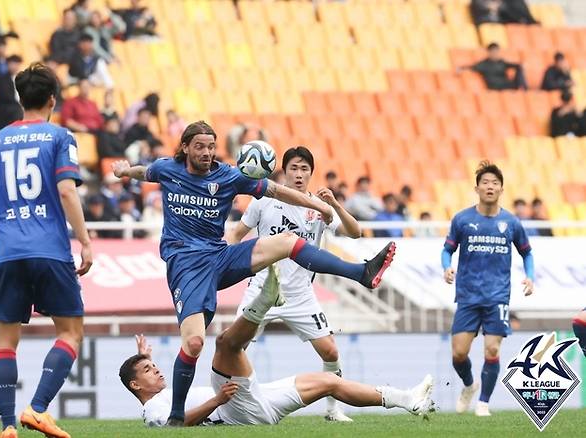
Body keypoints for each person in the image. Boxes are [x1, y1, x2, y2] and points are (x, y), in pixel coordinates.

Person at [111, 121, 396, 426]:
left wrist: (319, 205)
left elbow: (275, 190)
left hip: (219, 256)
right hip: (186, 265)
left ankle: (361, 272)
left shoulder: (228, 176)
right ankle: (178, 416)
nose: (207, 153)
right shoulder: (168, 169)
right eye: (199, 147)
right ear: (184, 148)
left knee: (288, 242)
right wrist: (125, 171)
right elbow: (145, 173)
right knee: (194, 344)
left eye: (210, 147)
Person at [119, 267, 436, 427]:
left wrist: (144, 358)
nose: (156, 368)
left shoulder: (161, 393)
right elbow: (179, 424)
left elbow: (154, 382)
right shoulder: (152, 411)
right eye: (148, 370)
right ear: (135, 385)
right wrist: (217, 400)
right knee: (227, 345)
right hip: (234, 409)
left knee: (329, 382)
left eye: (152, 364)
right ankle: (263, 302)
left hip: (257, 402)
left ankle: (407, 399)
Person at [0, 62, 93, 438]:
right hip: (50, 250)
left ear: (21, 99)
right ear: (52, 99)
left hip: (7, 254)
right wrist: (84, 240)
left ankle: (6, 427)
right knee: (70, 333)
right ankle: (36, 409)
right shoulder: (59, 137)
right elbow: (67, 190)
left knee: (6, 341)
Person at [228, 146, 361, 422]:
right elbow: (236, 235)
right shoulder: (263, 201)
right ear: (283, 171)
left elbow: (355, 232)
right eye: (294, 168)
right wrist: (226, 266)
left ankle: (333, 409)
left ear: (311, 173)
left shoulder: (318, 208)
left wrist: (334, 205)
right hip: (263, 289)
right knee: (233, 347)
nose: (299, 174)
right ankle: (224, 406)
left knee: (330, 350)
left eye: (304, 169)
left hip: (301, 295)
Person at [442, 161, 534, 417]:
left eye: (495, 183)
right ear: (477, 188)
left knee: (492, 349)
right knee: (459, 354)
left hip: (497, 297)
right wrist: (447, 267)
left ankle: (483, 403)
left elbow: (527, 253)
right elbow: (447, 249)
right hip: (468, 296)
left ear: (501, 189)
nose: (490, 186)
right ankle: (470, 386)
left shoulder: (511, 222)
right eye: (485, 182)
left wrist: (530, 277)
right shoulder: (462, 219)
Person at [462, 43, 527, 90]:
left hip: (506, 84)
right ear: (489, 52)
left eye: (497, 51)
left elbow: (514, 65)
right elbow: (472, 67)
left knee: (519, 68)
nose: (495, 53)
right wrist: (461, 69)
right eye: (493, 51)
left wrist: (521, 65)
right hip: (495, 86)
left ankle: (525, 90)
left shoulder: (501, 62)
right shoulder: (484, 64)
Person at [0, 54, 24, 130]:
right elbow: (5, 96)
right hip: (5, 106)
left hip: (18, 105)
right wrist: (20, 105)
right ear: (8, 64)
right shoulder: (2, 79)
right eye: (12, 64)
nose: (14, 66)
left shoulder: (21, 78)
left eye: (17, 64)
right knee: (17, 111)